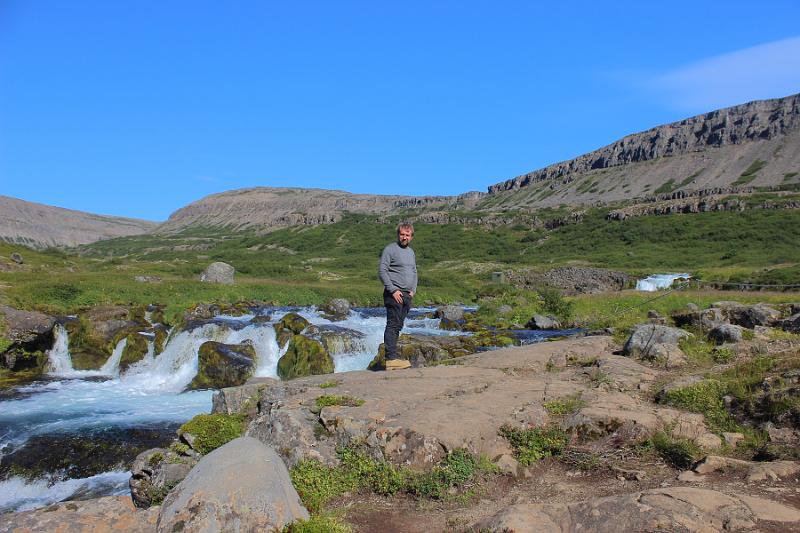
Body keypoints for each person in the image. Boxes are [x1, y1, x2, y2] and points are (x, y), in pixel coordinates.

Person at [378, 222, 417, 370]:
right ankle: (391, 359)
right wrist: (393, 290)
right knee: (392, 325)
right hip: (394, 294)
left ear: (411, 237)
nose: (404, 237)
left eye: (407, 235)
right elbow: (382, 271)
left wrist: (413, 290)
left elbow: (414, 271)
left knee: (398, 326)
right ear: (398, 235)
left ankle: (392, 359)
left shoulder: (411, 252)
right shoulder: (390, 249)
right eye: (402, 234)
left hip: (407, 295)